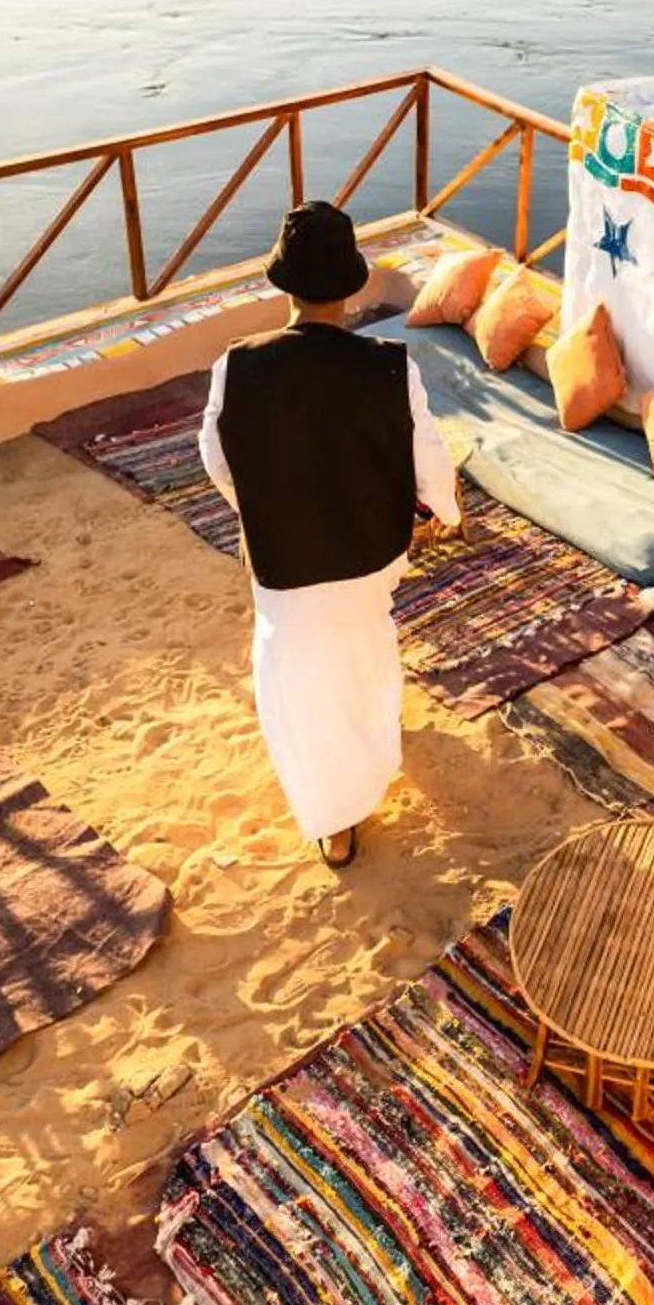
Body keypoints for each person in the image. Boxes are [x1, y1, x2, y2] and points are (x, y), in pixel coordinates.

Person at [197, 202, 460, 866]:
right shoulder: (390, 365)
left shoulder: (237, 365)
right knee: (365, 652)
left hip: (283, 560)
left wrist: (259, 506)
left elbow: (216, 458)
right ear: (351, 287)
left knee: (300, 682)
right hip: (370, 552)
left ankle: (335, 822)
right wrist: (447, 513)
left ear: (283, 286)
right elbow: (427, 455)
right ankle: (373, 757)